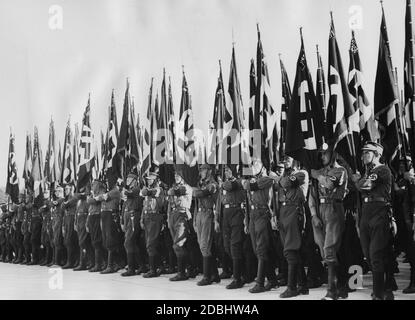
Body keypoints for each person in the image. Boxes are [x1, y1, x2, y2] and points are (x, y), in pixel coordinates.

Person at [351, 141, 392, 300]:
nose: (363, 156)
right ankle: (383, 290)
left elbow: (366, 186)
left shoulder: (382, 169)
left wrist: (357, 181)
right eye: (363, 153)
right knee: (368, 255)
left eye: (367, 153)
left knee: (375, 255)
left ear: (377, 155)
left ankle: (379, 294)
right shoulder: (368, 172)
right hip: (367, 213)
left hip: (379, 212)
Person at [310, 142, 348, 300]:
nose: (322, 156)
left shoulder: (340, 170)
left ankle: (332, 291)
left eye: (325, 154)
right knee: (324, 251)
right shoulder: (320, 171)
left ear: (332, 154)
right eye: (321, 154)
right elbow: (312, 195)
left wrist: (317, 175)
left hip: (333, 209)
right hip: (320, 211)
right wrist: (313, 214)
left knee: (330, 250)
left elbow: (330, 184)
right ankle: (341, 287)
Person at [242, 159, 279, 293]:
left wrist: (246, 183)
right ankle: (272, 280)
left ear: (262, 166)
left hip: (263, 214)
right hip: (253, 215)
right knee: (257, 249)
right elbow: (248, 199)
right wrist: (246, 219)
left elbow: (250, 186)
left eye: (255, 164)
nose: (252, 167)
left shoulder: (267, 179)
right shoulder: (252, 180)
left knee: (262, 248)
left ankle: (260, 283)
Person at [275, 156, 309, 298]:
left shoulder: (301, 173)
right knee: (293, 250)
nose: (286, 161)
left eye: (289, 158)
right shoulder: (285, 175)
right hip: (284, 212)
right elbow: (277, 193)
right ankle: (302, 285)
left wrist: (277, 179)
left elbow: (286, 183)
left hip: (294, 212)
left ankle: (292, 287)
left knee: (291, 249)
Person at [217, 165, 247, 289]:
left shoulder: (239, 181)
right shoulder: (224, 183)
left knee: (235, 245)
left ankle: (238, 278)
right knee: (226, 246)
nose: (227, 172)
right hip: (226, 214)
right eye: (225, 170)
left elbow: (230, 186)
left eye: (229, 170)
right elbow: (220, 202)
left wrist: (222, 184)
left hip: (237, 213)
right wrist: (217, 219)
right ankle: (240, 272)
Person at [192, 164, 220, 286]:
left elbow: (202, 193)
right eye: (201, 170)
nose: (201, 172)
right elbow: (196, 200)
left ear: (209, 171)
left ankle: (207, 276)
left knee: (205, 246)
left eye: (203, 170)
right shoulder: (200, 184)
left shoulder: (213, 184)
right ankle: (215, 275)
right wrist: (194, 219)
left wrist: (197, 191)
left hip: (208, 214)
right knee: (204, 246)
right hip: (199, 214)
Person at [394, 156, 415, 294]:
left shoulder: (410, 176)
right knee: (411, 250)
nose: (402, 165)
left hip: (413, 217)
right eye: (400, 163)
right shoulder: (401, 178)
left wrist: (411, 180)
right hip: (405, 219)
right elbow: (398, 192)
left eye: (405, 162)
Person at [167, 169, 193, 281]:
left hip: (182, 215)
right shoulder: (174, 187)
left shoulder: (186, 187)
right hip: (173, 215)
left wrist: (171, 190)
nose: (176, 177)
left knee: (178, 244)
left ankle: (182, 272)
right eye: (175, 175)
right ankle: (188, 268)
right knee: (177, 244)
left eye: (179, 175)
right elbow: (170, 202)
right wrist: (168, 218)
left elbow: (176, 191)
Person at [140, 171, 165, 278]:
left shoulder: (159, 189)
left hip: (155, 217)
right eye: (148, 179)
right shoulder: (147, 189)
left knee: (151, 244)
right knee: (149, 243)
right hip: (147, 216)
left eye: (151, 179)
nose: (149, 180)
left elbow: (148, 193)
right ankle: (158, 266)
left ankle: (153, 270)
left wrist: (145, 191)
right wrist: (142, 218)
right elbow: (144, 204)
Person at [120, 172, 144, 277]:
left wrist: (123, 189)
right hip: (127, 217)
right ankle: (141, 266)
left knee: (128, 242)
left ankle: (131, 268)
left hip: (134, 216)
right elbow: (124, 205)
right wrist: (122, 221)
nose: (127, 181)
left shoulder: (137, 189)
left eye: (130, 180)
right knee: (133, 243)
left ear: (135, 181)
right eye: (127, 179)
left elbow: (128, 194)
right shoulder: (129, 192)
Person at [96, 179, 122, 274]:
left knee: (110, 240)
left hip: (111, 216)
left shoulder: (115, 191)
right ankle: (115, 263)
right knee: (106, 240)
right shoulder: (109, 191)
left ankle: (111, 265)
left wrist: (99, 197)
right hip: (105, 216)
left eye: (108, 182)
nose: (107, 183)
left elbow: (101, 198)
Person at [87, 179, 106, 272]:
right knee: (94, 241)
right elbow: (90, 202)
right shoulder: (93, 194)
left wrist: (92, 199)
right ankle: (97, 263)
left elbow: (94, 201)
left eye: (94, 184)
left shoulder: (101, 192)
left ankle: (99, 264)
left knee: (97, 241)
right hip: (91, 216)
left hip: (97, 216)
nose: (92, 186)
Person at [74, 184, 93, 271]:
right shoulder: (79, 202)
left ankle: (84, 263)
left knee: (83, 243)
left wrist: (87, 224)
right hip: (79, 223)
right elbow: (76, 213)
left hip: (84, 223)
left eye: (83, 192)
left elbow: (89, 213)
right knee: (81, 243)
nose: (81, 194)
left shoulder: (87, 201)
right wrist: (75, 223)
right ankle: (87, 262)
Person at [62, 183, 79, 269]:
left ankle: (73, 261)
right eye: (65, 189)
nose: (65, 191)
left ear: (72, 189)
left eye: (67, 189)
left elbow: (65, 205)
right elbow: (63, 207)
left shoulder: (74, 197)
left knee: (72, 241)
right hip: (67, 219)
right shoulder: (67, 198)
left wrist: (65, 203)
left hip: (72, 219)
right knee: (67, 241)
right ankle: (70, 261)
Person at [50, 185, 65, 267]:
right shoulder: (57, 201)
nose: (57, 193)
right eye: (56, 191)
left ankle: (57, 261)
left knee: (57, 241)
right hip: (55, 221)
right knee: (54, 241)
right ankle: (54, 260)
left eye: (59, 191)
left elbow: (54, 203)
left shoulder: (62, 200)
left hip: (59, 221)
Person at [39, 186, 53, 266]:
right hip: (44, 222)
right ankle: (45, 258)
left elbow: (50, 211)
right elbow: (40, 210)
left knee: (48, 242)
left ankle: (49, 259)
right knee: (44, 241)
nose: (45, 194)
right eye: (44, 192)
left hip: (49, 222)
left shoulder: (49, 202)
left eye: (46, 192)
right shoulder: (44, 202)